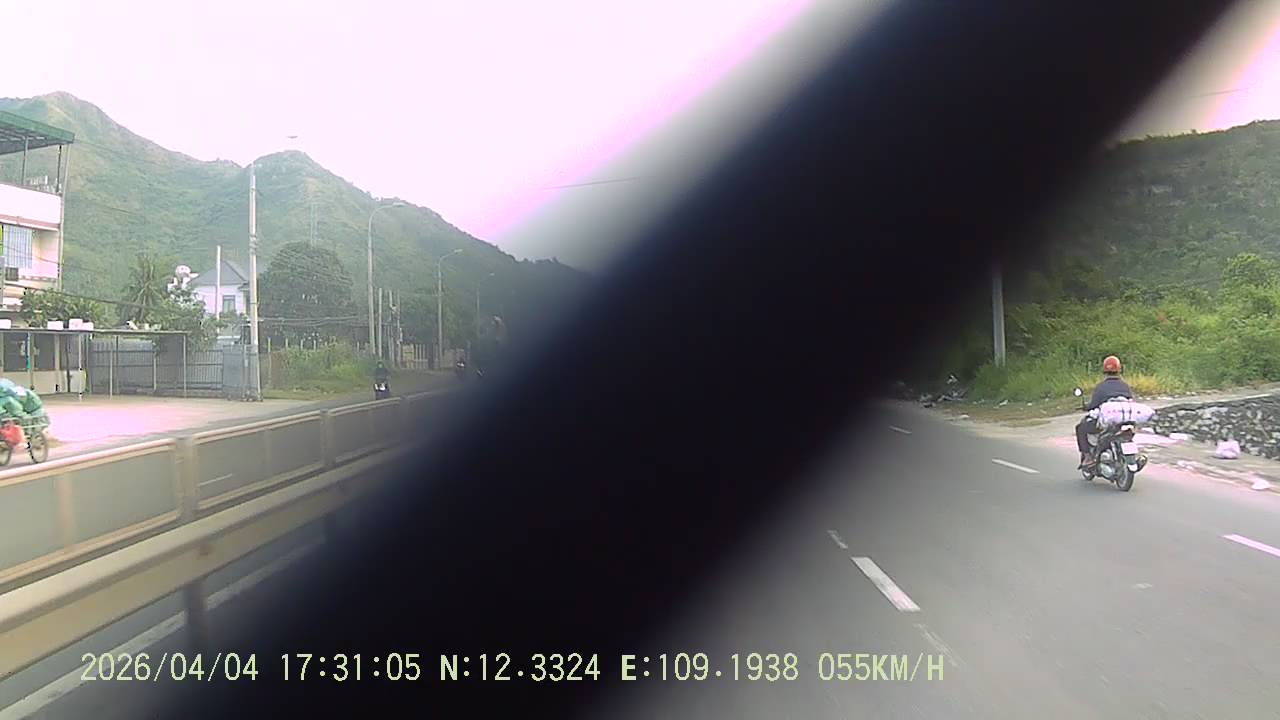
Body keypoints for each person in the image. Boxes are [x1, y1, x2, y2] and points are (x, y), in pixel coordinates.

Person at [1076, 355, 1134, 468]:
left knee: (1080, 428)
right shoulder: (1125, 386)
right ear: (1119, 369)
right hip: (1125, 421)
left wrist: (1086, 407)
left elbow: (1094, 405)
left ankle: (1088, 457)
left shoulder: (1101, 387)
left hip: (1108, 423)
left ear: (1104, 370)